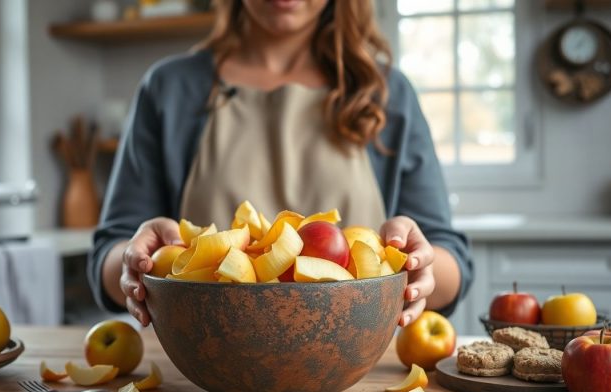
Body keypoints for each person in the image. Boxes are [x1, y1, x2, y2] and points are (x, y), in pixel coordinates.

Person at [88, 0, 473, 328]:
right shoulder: (170, 88)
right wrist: (133, 260)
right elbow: (110, 252)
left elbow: (451, 263)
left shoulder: (386, 92)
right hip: (200, 379)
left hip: (358, 380)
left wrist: (418, 263)